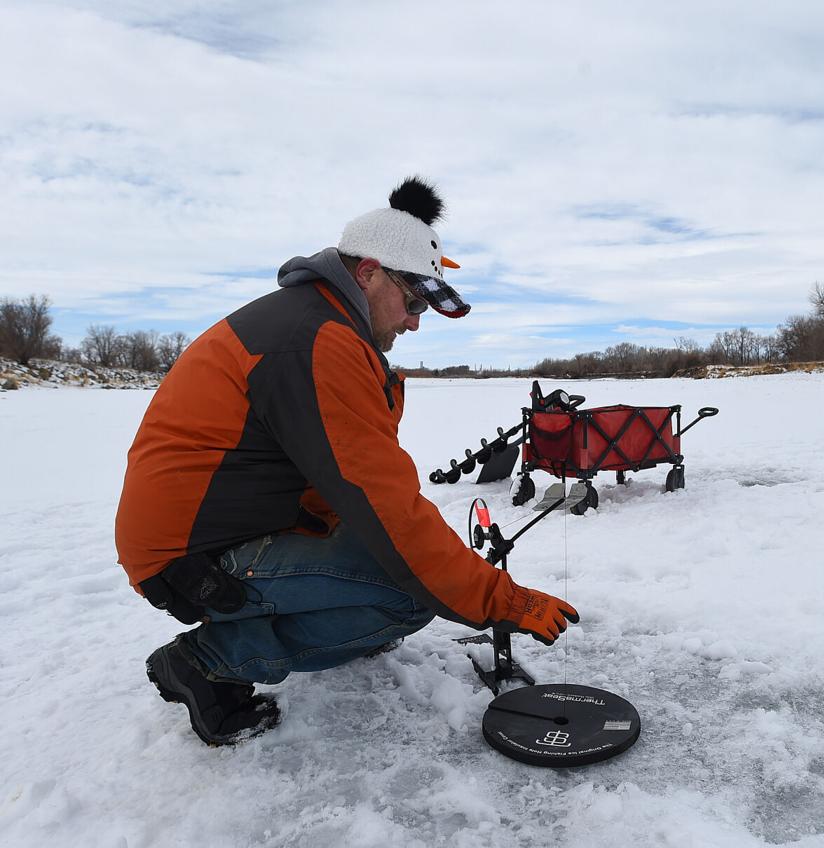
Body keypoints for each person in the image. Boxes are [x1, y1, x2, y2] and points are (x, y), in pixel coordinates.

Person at [115, 177, 578, 746]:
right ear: (368, 274)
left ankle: (264, 626)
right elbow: (386, 506)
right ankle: (208, 661)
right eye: (412, 302)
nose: (414, 322)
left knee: (397, 571)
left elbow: (337, 482)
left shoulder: (313, 324)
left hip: (219, 534)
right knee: (408, 593)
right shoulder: (317, 340)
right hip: (194, 561)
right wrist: (495, 597)